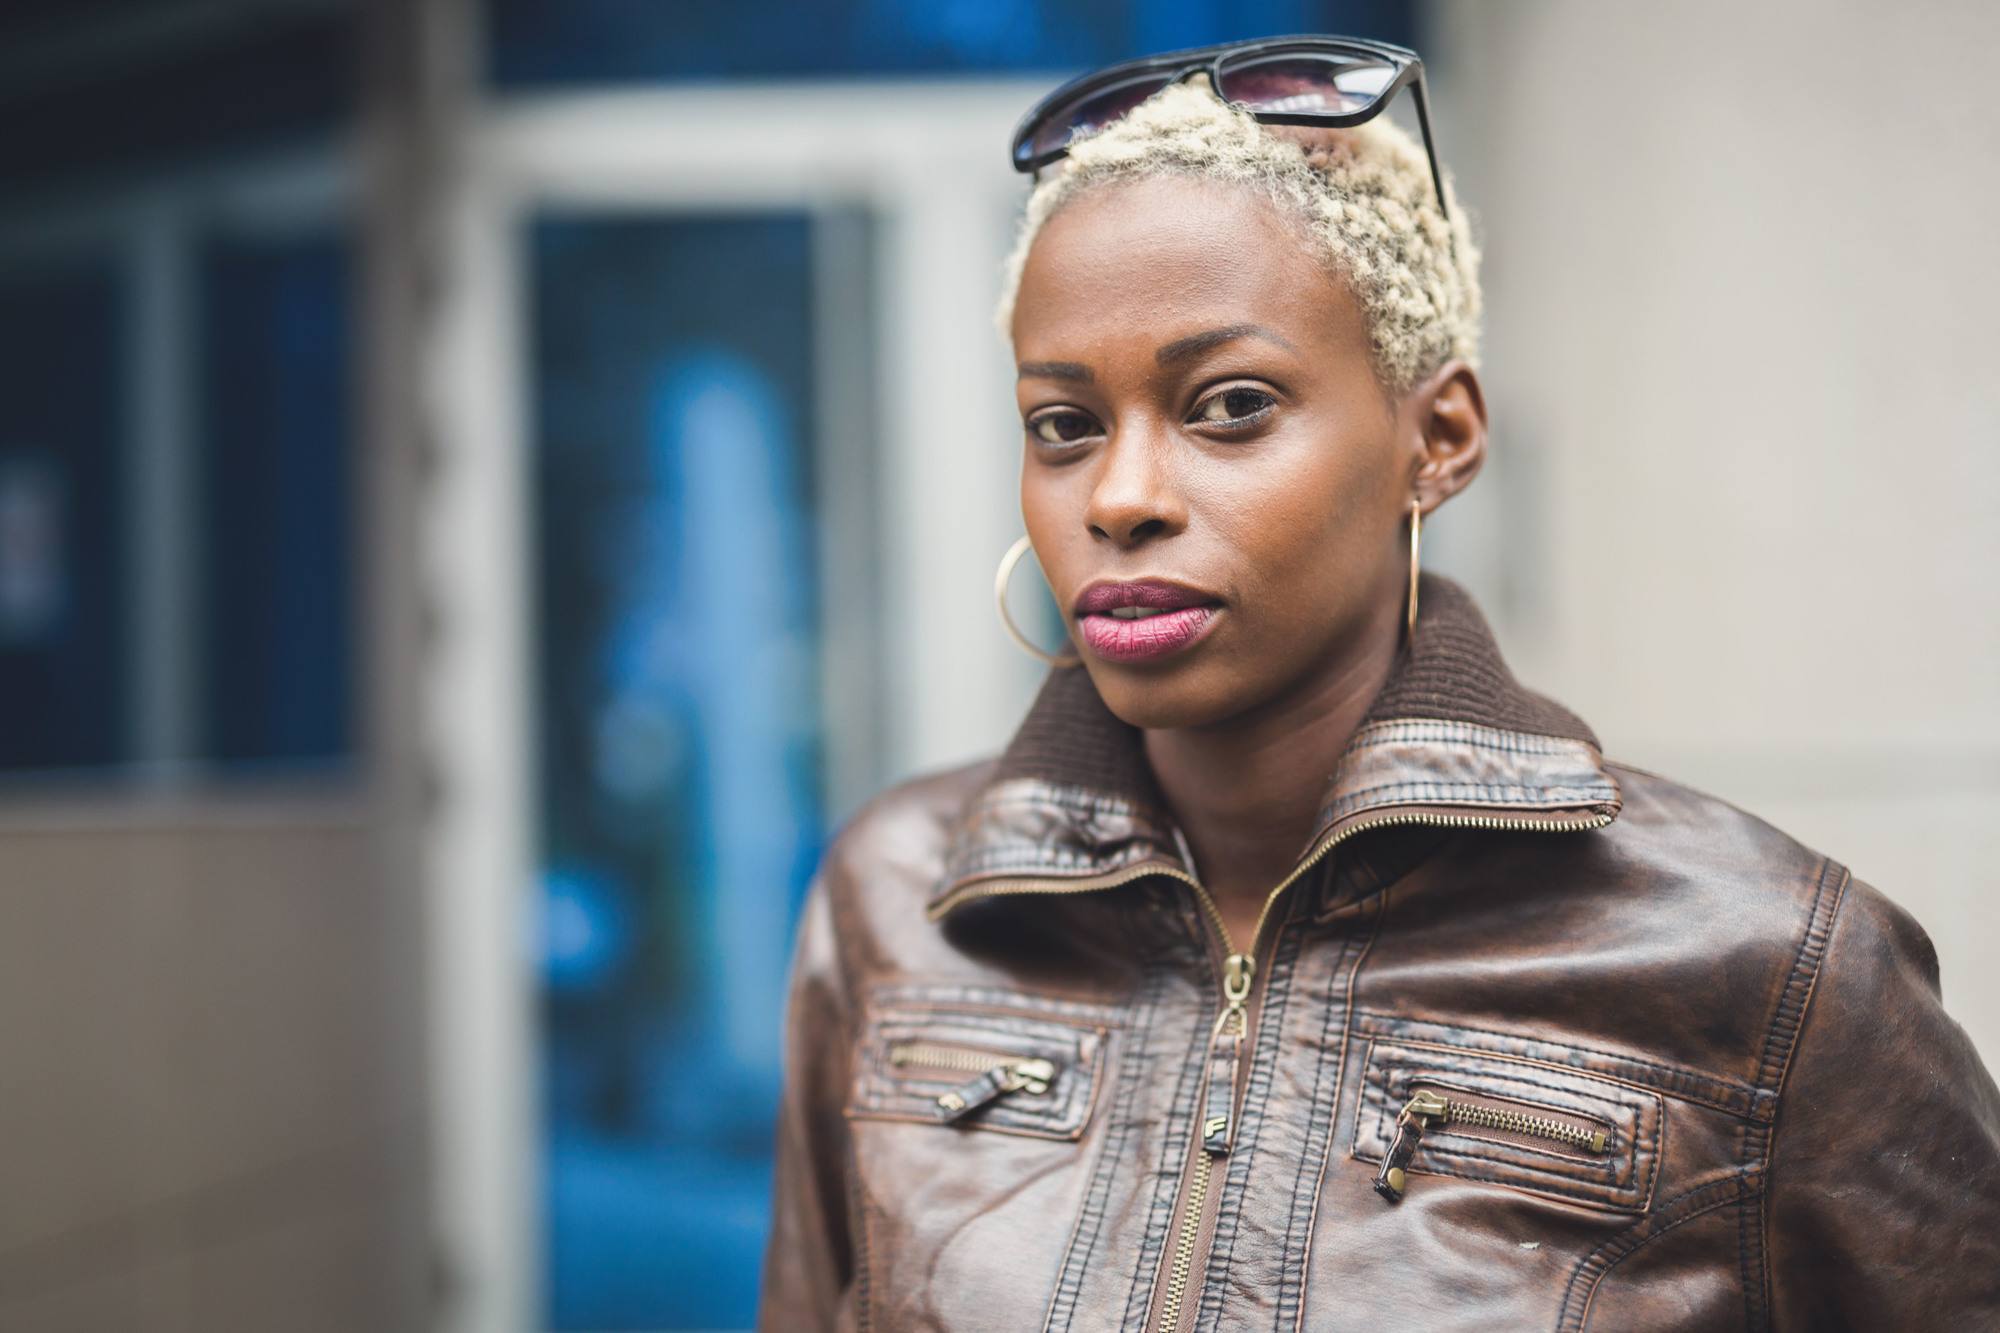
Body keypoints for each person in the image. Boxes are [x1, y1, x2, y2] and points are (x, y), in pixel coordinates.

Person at [756, 36, 2000, 1331]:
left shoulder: (1770, 966)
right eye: (1064, 424)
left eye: (1228, 404)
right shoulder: (899, 898)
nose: (1120, 497)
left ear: (1439, 438)